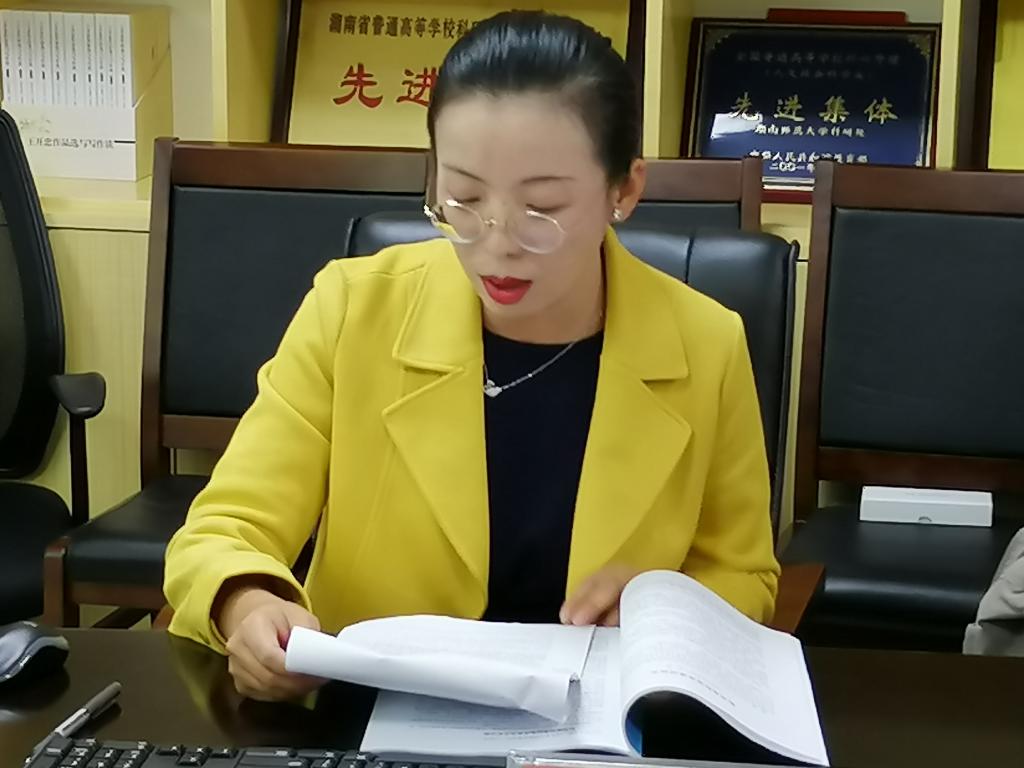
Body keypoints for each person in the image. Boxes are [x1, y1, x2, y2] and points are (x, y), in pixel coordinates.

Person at [163, 10, 780, 702]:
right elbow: (223, 529)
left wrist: (666, 614)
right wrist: (245, 604)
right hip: (365, 718)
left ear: (625, 189)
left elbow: (745, 575)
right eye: (462, 198)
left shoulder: (706, 344)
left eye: (542, 207)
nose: (497, 242)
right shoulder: (352, 310)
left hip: (595, 727)